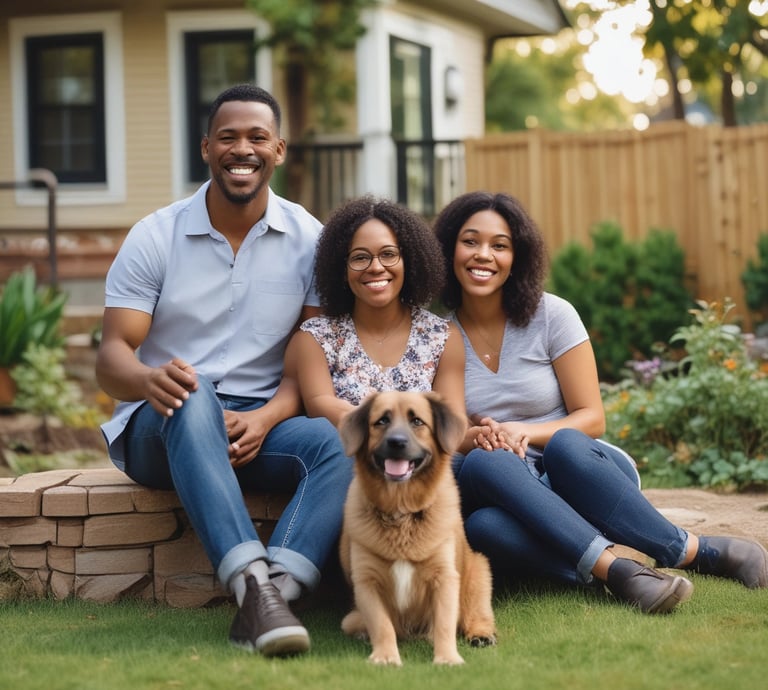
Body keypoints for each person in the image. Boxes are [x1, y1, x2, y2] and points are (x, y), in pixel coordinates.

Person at [95, 84, 352, 656]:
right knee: (193, 393)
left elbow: (308, 359)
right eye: (229, 137)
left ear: (279, 149)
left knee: (338, 442)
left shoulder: (310, 240)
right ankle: (253, 585)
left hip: (258, 427)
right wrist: (146, 380)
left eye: (258, 137)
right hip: (161, 425)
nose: (244, 149)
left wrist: (269, 417)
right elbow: (112, 356)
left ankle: (274, 595)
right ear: (207, 147)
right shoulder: (156, 236)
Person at [432, 190, 768, 614]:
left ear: (518, 257)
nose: (484, 255)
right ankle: (621, 572)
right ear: (448, 248)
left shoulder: (552, 315)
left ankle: (694, 551)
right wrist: (480, 435)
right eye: (470, 241)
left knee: (565, 444)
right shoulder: (438, 336)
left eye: (500, 245)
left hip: (582, 475)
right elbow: (450, 430)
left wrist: (524, 431)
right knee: (483, 512)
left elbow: (592, 418)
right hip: (507, 490)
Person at [284, 195, 465, 424]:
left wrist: (487, 435)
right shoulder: (316, 339)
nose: (376, 267)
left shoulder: (442, 337)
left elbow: (452, 422)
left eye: (388, 254)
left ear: (409, 260)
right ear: (342, 268)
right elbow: (320, 404)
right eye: (360, 258)